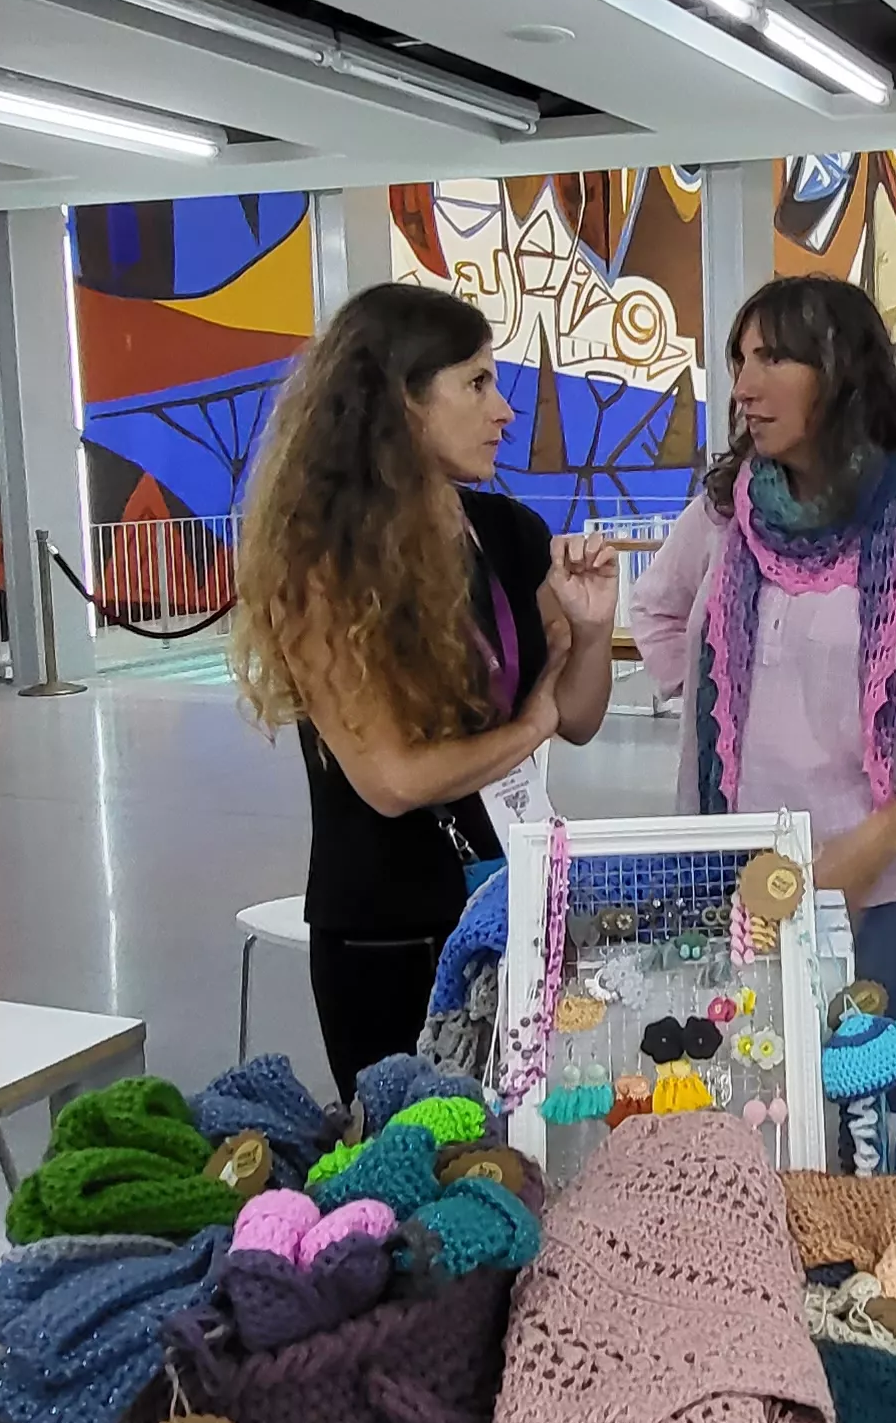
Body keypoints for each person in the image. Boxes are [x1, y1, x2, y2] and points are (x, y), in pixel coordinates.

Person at [233, 282, 618, 1093]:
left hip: (514, 908)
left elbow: (579, 716)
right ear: (401, 402)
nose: (504, 410)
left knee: (526, 1156)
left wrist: (588, 632)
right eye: (477, 383)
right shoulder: (320, 571)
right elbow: (393, 780)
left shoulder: (508, 534)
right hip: (388, 939)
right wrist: (532, 722)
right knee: (414, 1178)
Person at [632, 275, 896, 1044]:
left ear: (842, 374)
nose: (743, 387)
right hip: (737, 890)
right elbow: (655, 609)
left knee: (871, 1131)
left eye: (773, 359)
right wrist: (720, 705)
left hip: (887, 898)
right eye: (738, 360)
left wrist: (869, 846)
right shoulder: (724, 512)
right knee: (754, 1113)